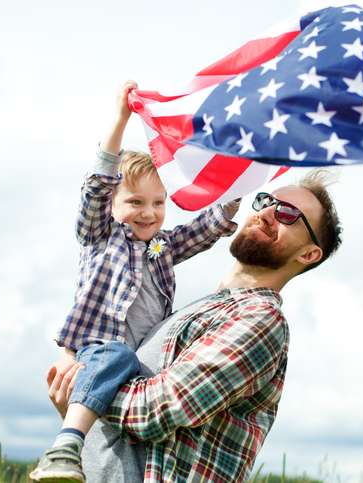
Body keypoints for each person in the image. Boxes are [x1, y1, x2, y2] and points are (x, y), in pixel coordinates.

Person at [45, 174, 343, 482]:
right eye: (266, 201)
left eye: (288, 214)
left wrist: (83, 385)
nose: (267, 213)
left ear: (307, 254)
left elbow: (159, 408)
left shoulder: (261, 318)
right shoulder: (188, 312)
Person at [30, 81, 240, 482]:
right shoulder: (101, 236)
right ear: (112, 205)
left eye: (158, 203)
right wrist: (120, 120)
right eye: (134, 202)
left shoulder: (161, 248)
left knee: (136, 439)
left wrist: (235, 188)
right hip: (99, 352)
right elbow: (98, 183)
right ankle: (65, 445)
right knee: (116, 357)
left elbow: (206, 228)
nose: (148, 213)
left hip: (142, 367)